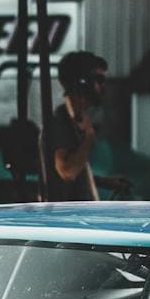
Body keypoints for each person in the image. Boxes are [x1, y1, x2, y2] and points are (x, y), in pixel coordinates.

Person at [45, 50, 107, 202]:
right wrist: (89, 138)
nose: (102, 86)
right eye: (98, 79)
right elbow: (67, 172)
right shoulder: (62, 120)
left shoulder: (77, 119)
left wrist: (105, 182)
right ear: (82, 82)